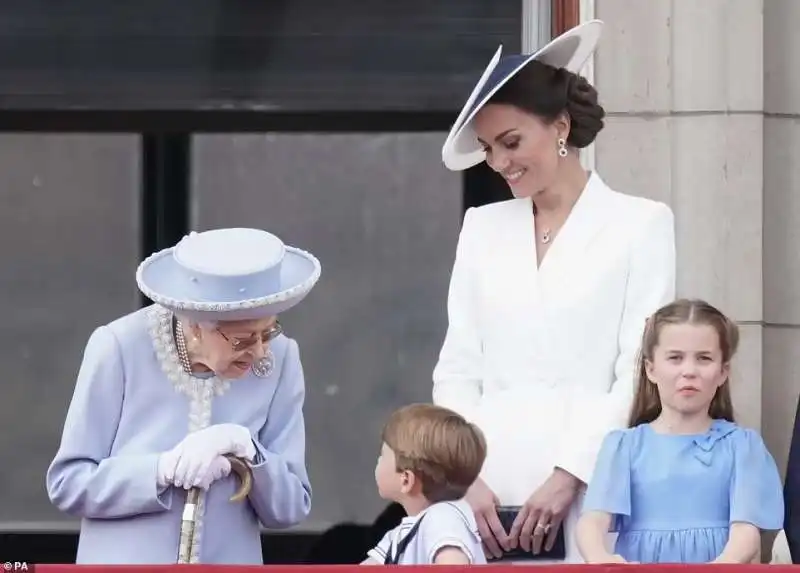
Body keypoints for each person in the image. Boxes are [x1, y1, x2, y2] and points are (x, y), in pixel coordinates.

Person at [433, 20, 676, 564]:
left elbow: (638, 366)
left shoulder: (641, 223)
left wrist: (572, 472)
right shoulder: (482, 227)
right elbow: (457, 368)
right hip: (485, 494)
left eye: (511, 142)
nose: (498, 163)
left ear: (561, 126)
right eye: (487, 148)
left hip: (596, 485)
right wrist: (465, 477)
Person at [46, 227, 321, 564]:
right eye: (243, 340)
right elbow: (68, 484)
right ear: (194, 325)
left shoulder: (282, 359)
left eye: (269, 331)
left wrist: (248, 450)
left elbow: (291, 507)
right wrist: (161, 470)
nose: (262, 352)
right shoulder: (118, 347)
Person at [576, 299, 784, 564]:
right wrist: (600, 558)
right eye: (675, 358)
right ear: (650, 369)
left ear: (723, 372)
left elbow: (746, 532)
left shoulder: (743, 447)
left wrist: (719, 567)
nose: (689, 371)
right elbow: (592, 521)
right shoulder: (624, 446)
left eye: (704, 359)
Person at [362, 404, 487, 565]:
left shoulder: (443, 517)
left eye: (383, 455)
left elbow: (452, 564)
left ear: (406, 479)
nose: (378, 460)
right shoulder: (399, 535)